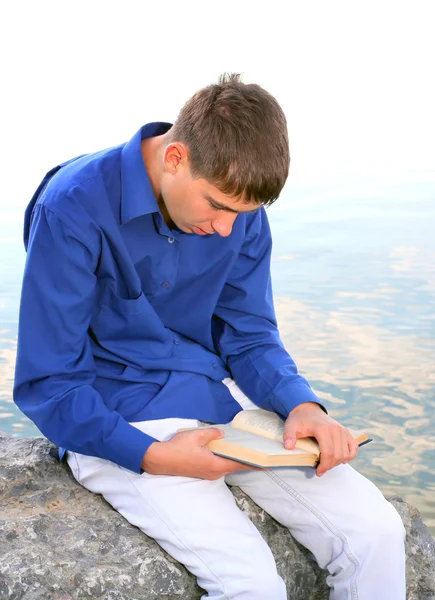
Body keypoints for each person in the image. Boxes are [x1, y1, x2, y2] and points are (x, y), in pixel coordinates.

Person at [14, 73, 406, 599]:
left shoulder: (237, 210)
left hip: (220, 401)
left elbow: (247, 334)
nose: (227, 228)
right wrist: (153, 457)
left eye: (242, 214)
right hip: (118, 417)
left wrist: (302, 405)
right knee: (253, 585)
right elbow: (50, 382)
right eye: (217, 206)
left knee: (376, 532)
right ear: (175, 157)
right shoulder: (71, 207)